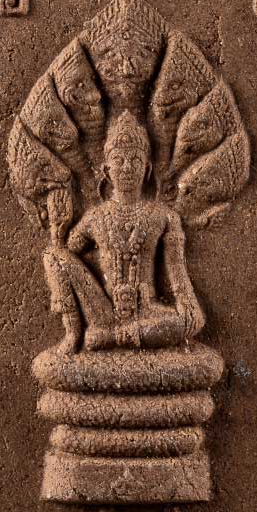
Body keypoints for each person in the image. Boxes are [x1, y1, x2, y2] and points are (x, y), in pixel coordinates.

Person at [43, 110, 205, 354]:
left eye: (135, 161)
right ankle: (74, 333)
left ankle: (113, 338)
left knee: (191, 320)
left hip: (147, 312)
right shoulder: (95, 217)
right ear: (106, 171)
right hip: (102, 311)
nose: (127, 168)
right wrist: (58, 230)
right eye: (119, 160)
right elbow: (66, 259)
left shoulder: (164, 217)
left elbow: (180, 283)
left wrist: (186, 313)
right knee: (52, 256)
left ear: (147, 169)